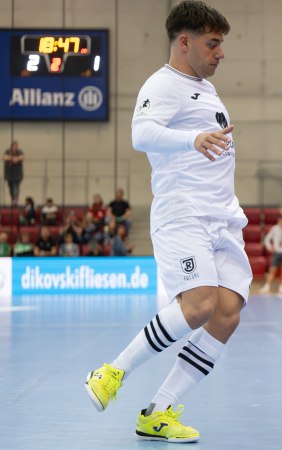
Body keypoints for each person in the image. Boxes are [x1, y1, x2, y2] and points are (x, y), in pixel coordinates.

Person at [84, 1, 248, 443]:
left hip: (222, 217)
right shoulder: (163, 83)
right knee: (198, 306)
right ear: (184, 42)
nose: (220, 53)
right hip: (184, 212)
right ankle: (112, 371)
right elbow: (141, 133)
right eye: (213, 44)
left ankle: (158, 412)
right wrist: (193, 138)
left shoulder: (205, 89)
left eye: (221, 44)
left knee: (227, 314)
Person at [260, 215, 282, 294]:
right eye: (279, 221)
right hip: (276, 252)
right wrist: (269, 247)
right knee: (272, 270)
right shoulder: (274, 228)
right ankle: (267, 286)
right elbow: (267, 239)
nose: (281, 222)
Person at [3, 140, 24, 206]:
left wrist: (16, 158)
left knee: (16, 187)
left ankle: (15, 200)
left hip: (17, 174)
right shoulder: (8, 151)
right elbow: (5, 157)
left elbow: (22, 157)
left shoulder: (19, 152)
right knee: (10, 187)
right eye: (14, 146)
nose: (15, 147)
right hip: (9, 173)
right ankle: (13, 199)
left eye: (16, 146)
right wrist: (12, 158)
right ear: (11, 146)